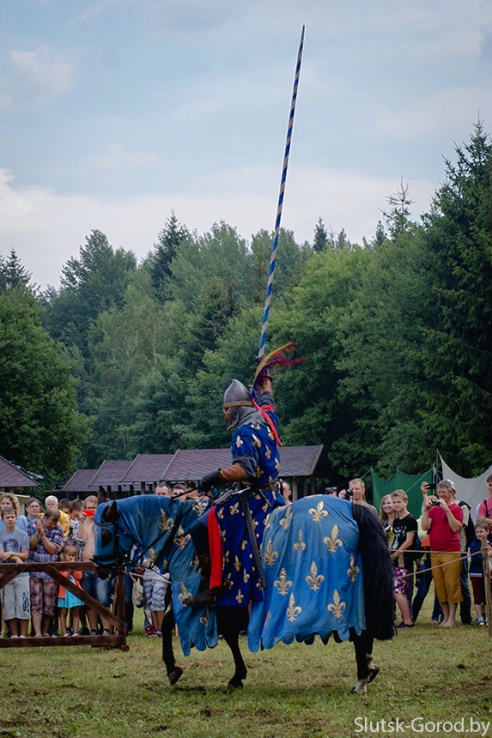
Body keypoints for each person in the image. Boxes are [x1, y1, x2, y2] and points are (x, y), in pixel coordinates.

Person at [185, 371, 285, 609]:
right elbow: (267, 399)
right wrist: (265, 379)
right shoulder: (267, 418)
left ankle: (209, 588)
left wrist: (214, 477)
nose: (224, 413)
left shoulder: (243, 432)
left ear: (237, 409)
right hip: (272, 495)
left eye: (226, 409)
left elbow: (245, 469)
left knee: (198, 527)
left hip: (254, 501)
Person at [421, 479, 463, 627]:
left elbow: (456, 528)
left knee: (452, 585)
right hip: (435, 552)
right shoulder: (434, 509)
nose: (441, 495)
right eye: (439, 493)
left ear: (452, 492)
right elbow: (425, 526)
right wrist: (426, 510)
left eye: (444, 492)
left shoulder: (457, 508)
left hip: (451, 552)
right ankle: (445, 617)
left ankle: (452, 618)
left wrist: (447, 509)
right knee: (440, 586)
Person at [74, 495, 111, 635]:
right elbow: (79, 539)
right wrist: (83, 522)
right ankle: (94, 629)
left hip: (100, 565)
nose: (91, 510)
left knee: (103, 599)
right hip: (85, 566)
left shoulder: (103, 522)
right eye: (89, 508)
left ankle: (107, 629)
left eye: (93, 508)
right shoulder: (82, 523)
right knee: (89, 601)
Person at [27, 509, 64, 637]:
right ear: (45, 517)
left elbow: (53, 550)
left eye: (55, 522)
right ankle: (37, 632)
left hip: (50, 571)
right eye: (51, 522)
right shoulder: (32, 525)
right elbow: (30, 546)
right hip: (34, 569)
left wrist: (43, 536)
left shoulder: (58, 529)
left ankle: (45, 631)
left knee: (49, 602)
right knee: (36, 601)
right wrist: (37, 534)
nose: (53, 525)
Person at [0, 508, 31, 637]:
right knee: (9, 605)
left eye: (12, 517)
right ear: (2, 519)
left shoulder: (23, 534)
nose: (10, 519)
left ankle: (23, 634)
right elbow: (2, 555)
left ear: (16, 518)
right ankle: (14, 634)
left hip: (22, 575)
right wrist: (16, 558)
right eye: (7, 517)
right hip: (6, 574)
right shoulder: (0, 534)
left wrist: (12, 553)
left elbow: (25, 554)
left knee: (23, 603)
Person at [389, 490, 417, 628]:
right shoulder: (396, 520)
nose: (396, 505)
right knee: (396, 590)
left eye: (398, 502)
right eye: (394, 502)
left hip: (403, 560)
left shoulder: (410, 519)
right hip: (393, 557)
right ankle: (404, 618)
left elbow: (409, 541)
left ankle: (407, 620)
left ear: (405, 502)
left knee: (398, 590)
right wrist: (388, 550)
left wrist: (396, 554)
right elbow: (394, 538)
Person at [57, 544, 84, 636]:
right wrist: (68, 571)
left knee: (76, 612)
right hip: (64, 593)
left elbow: (79, 576)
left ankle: (75, 632)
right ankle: (64, 632)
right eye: (69, 555)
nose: (70, 557)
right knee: (63, 612)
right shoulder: (61, 565)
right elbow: (61, 578)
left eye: (73, 556)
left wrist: (73, 567)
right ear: (64, 555)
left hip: (75, 593)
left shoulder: (76, 565)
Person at [469, 519, 492, 626]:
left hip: (489, 574)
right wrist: (487, 553)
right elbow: (476, 558)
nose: (479, 534)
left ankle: (488, 616)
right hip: (476, 574)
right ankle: (479, 617)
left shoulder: (490, 543)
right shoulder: (474, 545)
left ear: (487, 531)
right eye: (477, 532)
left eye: (481, 531)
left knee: (488, 595)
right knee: (478, 596)